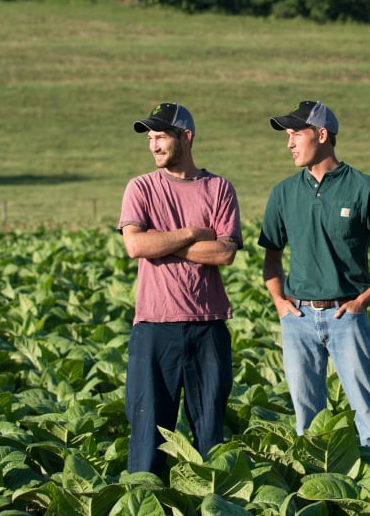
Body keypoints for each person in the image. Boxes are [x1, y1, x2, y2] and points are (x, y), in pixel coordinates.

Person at [258, 100, 370, 461]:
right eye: (287, 136)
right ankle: (315, 490)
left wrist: (362, 301)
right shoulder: (283, 192)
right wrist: (280, 302)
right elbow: (271, 255)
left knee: (367, 413)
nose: (290, 143)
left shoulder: (365, 188)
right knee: (306, 418)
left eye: (297, 134)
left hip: (347, 317)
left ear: (322, 134)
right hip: (297, 319)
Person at [118, 101, 243, 475]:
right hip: (154, 327)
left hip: (208, 326)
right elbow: (136, 246)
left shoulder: (218, 188)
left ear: (185, 137)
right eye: (151, 138)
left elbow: (223, 253)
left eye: (161, 137)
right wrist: (190, 234)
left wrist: (162, 240)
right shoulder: (140, 187)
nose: (154, 145)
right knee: (147, 436)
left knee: (210, 437)